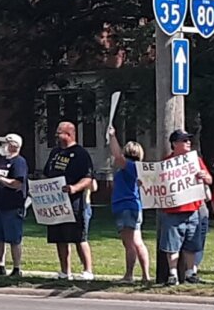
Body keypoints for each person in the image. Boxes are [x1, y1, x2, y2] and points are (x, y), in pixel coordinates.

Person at [158, 129, 213, 286]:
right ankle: (173, 274)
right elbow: (156, 184)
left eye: (189, 140)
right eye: (184, 140)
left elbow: (209, 179)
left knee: (192, 244)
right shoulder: (166, 163)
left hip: (193, 209)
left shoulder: (195, 161)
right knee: (172, 244)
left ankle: (190, 272)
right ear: (175, 144)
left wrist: (205, 176)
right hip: (173, 211)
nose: (188, 142)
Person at [43, 121, 95, 281]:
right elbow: (47, 173)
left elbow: (88, 178)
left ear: (69, 134)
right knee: (60, 237)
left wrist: (74, 188)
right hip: (56, 202)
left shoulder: (80, 154)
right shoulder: (55, 153)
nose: (56, 136)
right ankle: (65, 271)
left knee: (79, 237)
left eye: (59, 133)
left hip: (75, 203)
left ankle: (87, 271)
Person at [107, 130, 151, 284]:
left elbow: (118, 156)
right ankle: (145, 275)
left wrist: (112, 137)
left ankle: (129, 275)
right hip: (133, 207)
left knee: (129, 243)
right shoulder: (136, 168)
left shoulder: (129, 166)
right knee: (137, 241)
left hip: (126, 206)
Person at [0, 133, 28, 278]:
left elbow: (16, 183)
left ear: (13, 145)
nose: (3, 146)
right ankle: (0, 265)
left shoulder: (19, 162)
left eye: (5, 143)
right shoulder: (2, 161)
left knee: (14, 239)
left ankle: (17, 268)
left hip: (13, 206)